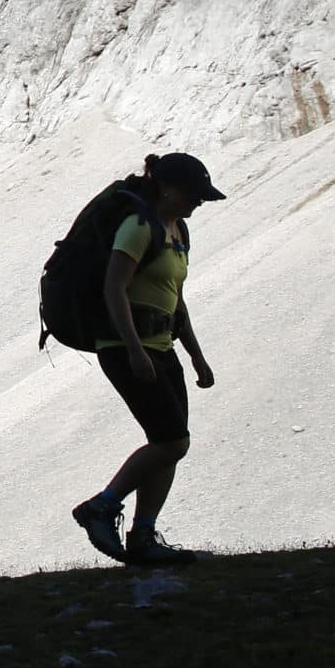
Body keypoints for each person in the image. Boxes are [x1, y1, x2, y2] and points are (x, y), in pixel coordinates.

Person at [69, 152, 223, 567]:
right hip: (127, 349)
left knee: (170, 444)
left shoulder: (177, 231)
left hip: (161, 348)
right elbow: (114, 289)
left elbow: (175, 300)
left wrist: (196, 357)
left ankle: (143, 538)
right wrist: (134, 348)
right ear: (169, 189)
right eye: (195, 195)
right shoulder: (138, 227)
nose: (199, 203)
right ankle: (101, 506)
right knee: (173, 440)